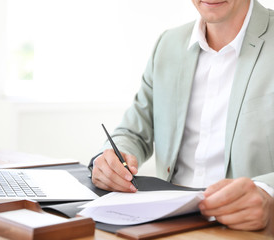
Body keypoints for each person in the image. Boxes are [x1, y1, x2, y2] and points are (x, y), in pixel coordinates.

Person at [89, 0, 274, 231]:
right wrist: (111, 161)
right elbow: (133, 131)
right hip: (166, 224)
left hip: (246, 229)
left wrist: (268, 194)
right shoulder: (168, 44)